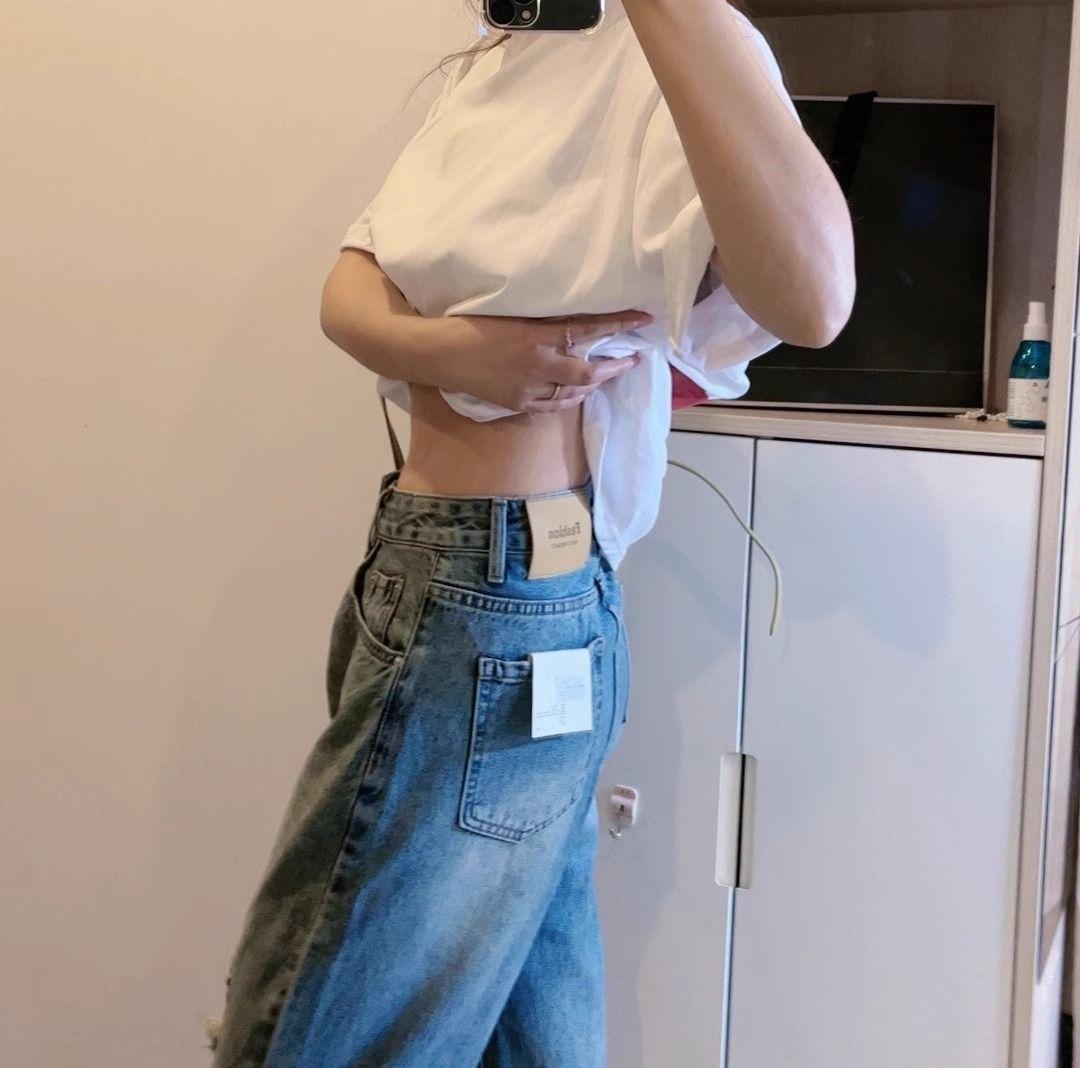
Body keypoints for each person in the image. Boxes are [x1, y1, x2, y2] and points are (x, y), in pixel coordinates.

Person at [208, 0, 855, 1064]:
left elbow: (815, 295)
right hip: (440, 575)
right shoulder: (504, 58)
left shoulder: (671, 46)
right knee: (532, 1038)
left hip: (495, 598)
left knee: (311, 1033)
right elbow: (351, 284)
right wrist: (460, 355)